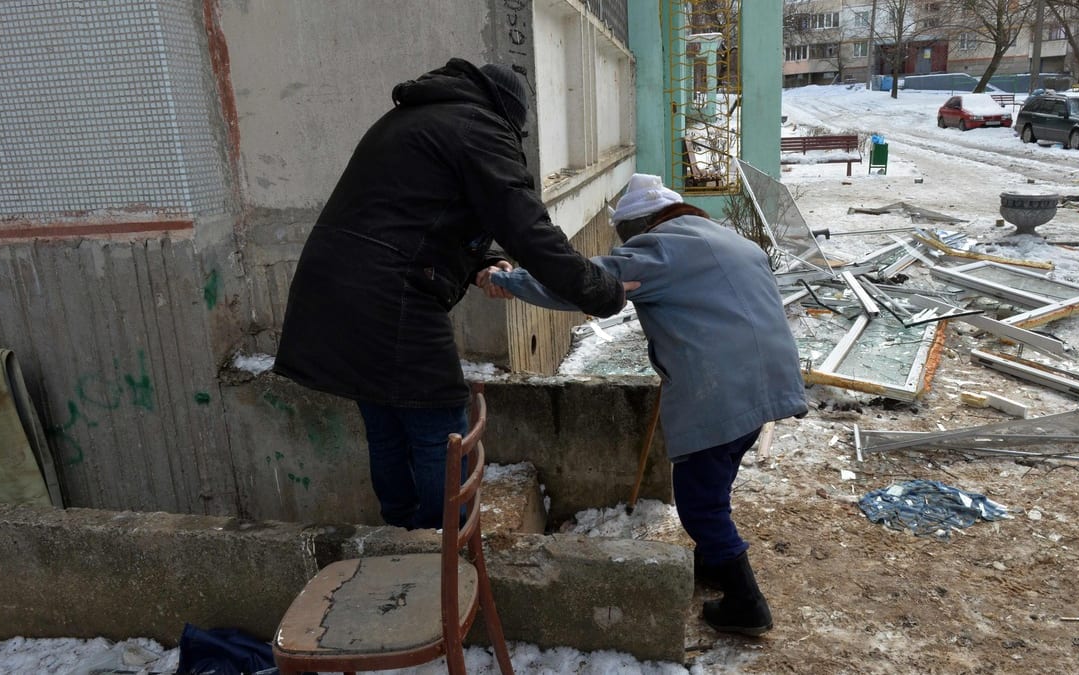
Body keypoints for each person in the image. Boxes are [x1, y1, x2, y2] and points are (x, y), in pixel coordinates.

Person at [273, 58, 630, 530]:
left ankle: (400, 537)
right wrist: (603, 293)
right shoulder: (479, 127)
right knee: (440, 425)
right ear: (511, 117)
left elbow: (414, 215)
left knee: (384, 422)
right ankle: (438, 546)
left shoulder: (416, 117)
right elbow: (530, 230)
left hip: (334, 289)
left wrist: (479, 260)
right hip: (390, 296)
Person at [488, 173, 808, 636]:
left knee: (700, 502)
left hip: (721, 388)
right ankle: (714, 563)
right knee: (716, 481)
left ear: (639, 227)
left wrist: (511, 280)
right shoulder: (727, 238)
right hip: (767, 378)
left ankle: (746, 604)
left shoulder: (660, 249)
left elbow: (585, 285)